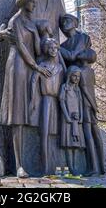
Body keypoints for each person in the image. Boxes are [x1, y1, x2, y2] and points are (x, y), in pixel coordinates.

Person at [0, 0, 52, 178]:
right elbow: (21, 47)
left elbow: (37, 48)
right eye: (32, 1)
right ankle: (19, 165)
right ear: (24, 2)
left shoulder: (30, 22)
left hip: (30, 67)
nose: (35, 4)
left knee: (28, 113)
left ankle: (30, 161)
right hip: (19, 67)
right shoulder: (16, 21)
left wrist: (44, 34)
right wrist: (36, 67)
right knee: (17, 117)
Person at [29, 37, 65, 174]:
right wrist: (32, 101)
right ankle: (45, 167)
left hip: (56, 102)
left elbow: (63, 86)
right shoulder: (42, 65)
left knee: (55, 133)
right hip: (45, 101)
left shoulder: (60, 68)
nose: (53, 50)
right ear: (46, 49)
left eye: (56, 48)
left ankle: (55, 164)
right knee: (44, 133)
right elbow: (33, 82)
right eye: (51, 48)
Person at [78, 49, 105, 175]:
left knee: (89, 136)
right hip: (92, 104)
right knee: (96, 135)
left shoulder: (82, 72)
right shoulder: (91, 71)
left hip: (86, 105)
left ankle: (94, 167)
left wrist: (93, 105)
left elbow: (85, 90)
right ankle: (101, 166)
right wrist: (95, 105)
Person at [59, 66, 86, 175]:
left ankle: (76, 165)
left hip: (77, 119)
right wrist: (66, 117)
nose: (76, 78)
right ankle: (71, 167)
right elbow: (61, 102)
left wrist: (81, 118)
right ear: (69, 76)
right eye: (74, 76)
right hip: (68, 119)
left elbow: (80, 104)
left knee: (76, 144)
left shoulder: (77, 89)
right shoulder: (64, 87)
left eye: (78, 77)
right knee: (69, 144)